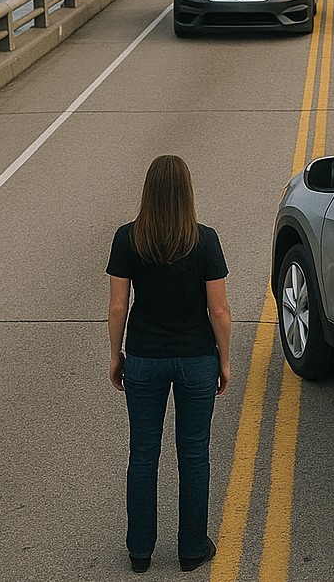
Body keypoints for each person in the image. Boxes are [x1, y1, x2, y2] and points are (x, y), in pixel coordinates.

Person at [106, 155, 231, 574]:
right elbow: (219, 310)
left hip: (143, 358)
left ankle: (140, 551)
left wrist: (115, 353)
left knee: (143, 454)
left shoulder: (128, 239)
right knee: (194, 454)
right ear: (187, 193)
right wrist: (224, 360)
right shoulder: (205, 240)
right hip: (196, 359)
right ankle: (191, 548)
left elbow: (119, 304)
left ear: (148, 193)